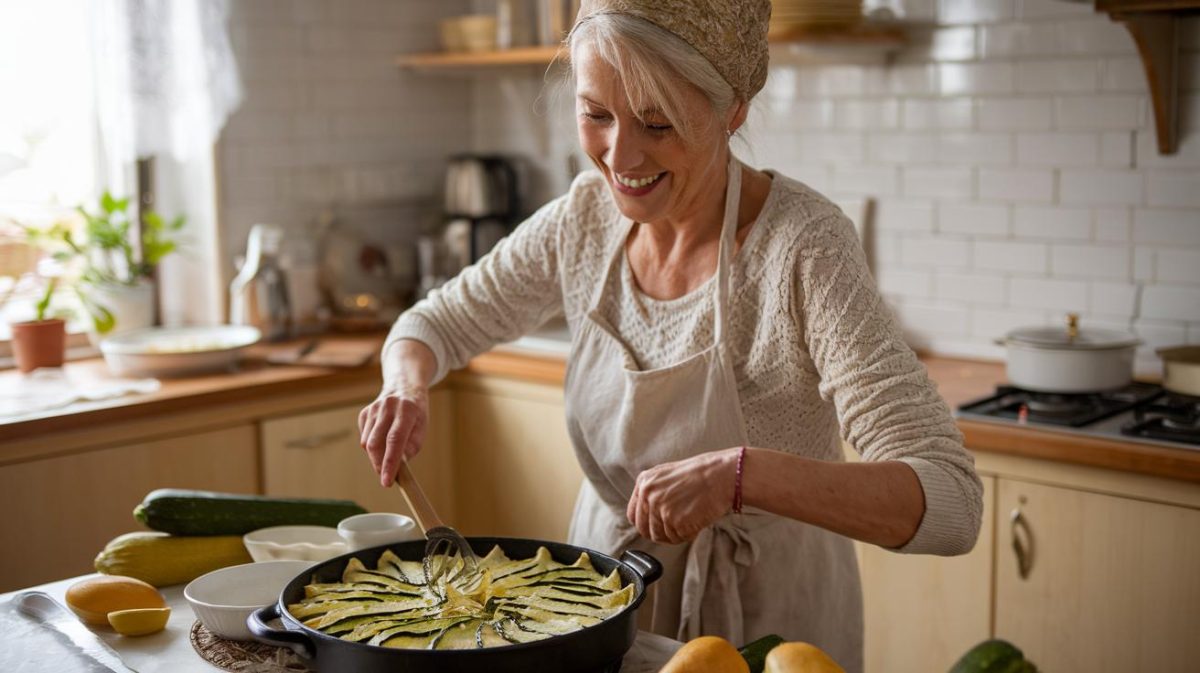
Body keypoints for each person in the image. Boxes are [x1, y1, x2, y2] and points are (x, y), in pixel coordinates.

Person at [358, 1, 982, 670]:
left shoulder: (803, 248)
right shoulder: (585, 220)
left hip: (771, 628)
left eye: (657, 123)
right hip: (603, 607)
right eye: (596, 114)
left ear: (732, 109)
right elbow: (433, 322)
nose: (619, 156)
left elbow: (950, 499)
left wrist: (740, 475)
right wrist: (407, 386)